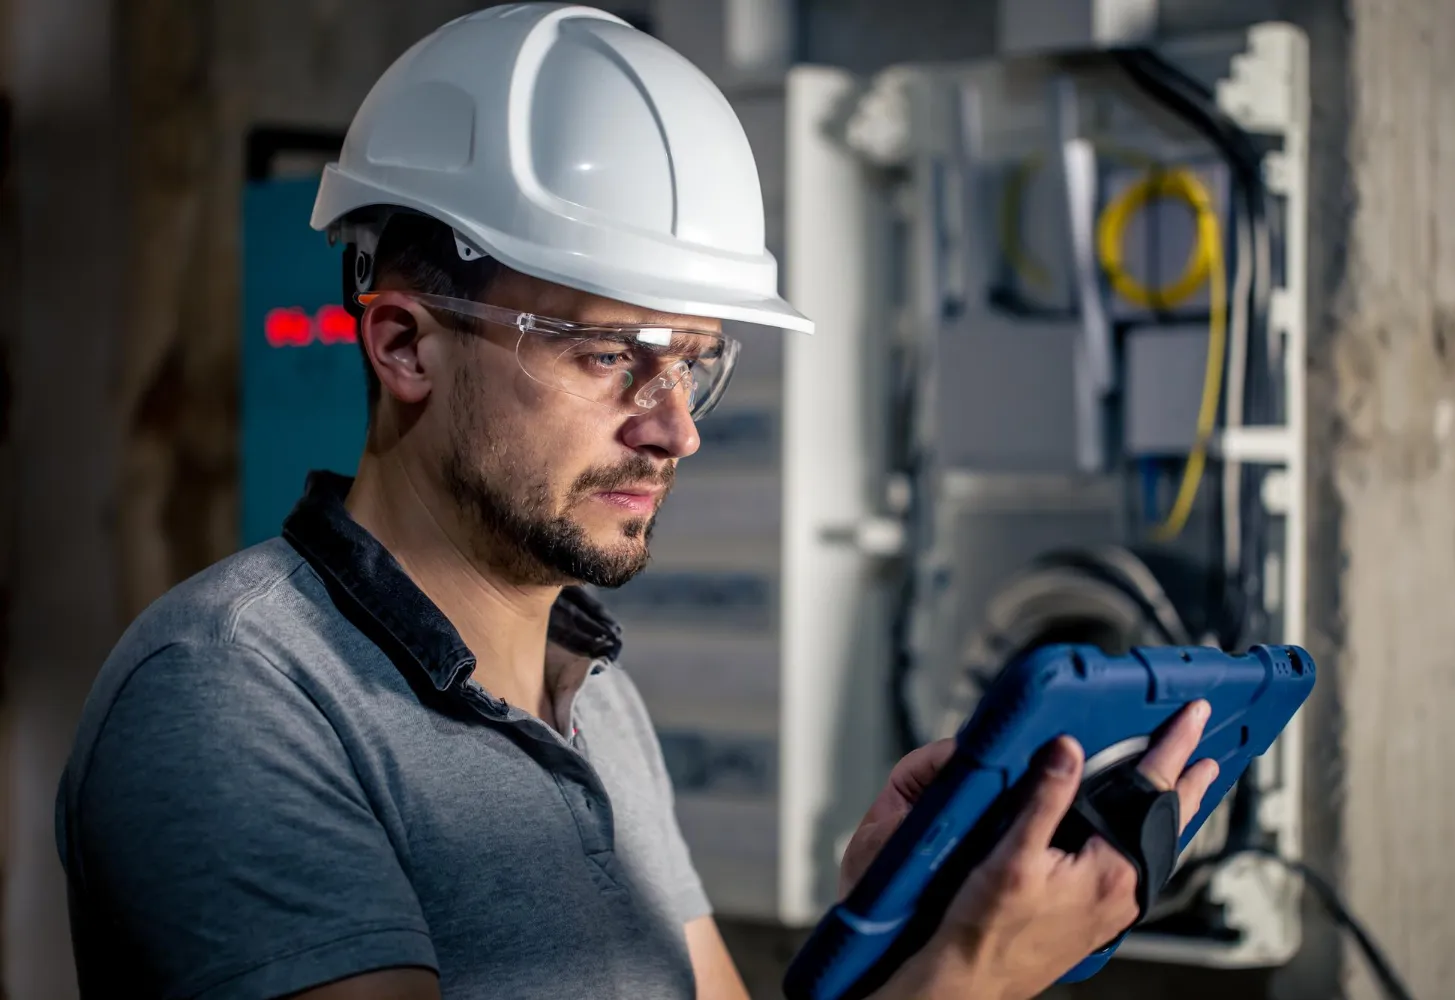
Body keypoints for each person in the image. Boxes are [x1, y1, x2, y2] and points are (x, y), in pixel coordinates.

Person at [55, 5, 1219, 999]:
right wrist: (961, 980)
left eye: (696, 362)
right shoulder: (232, 699)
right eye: (611, 356)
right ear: (406, 342)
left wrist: (904, 929)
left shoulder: (594, 697)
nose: (678, 426)